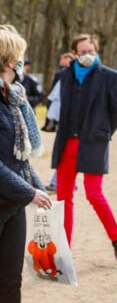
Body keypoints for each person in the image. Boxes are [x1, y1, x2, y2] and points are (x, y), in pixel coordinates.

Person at [51, 33, 117, 259]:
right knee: (63, 197)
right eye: (82, 52)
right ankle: (64, 250)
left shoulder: (110, 76)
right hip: (67, 142)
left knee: (94, 194)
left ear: (96, 51)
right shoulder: (65, 76)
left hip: (94, 142)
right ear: (75, 54)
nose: (87, 56)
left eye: (91, 51)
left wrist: (104, 133)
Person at [0, 25, 52, 302]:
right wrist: (29, 193)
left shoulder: (15, 97)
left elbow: (19, 158)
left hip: (12, 206)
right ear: (10, 61)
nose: (22, 62)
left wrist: (37, 187)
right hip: (10, 198)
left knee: (10, 282)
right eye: (19, 57)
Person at [42, 52, 75, 132]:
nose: (61, 61)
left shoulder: (72, 73)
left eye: (63, 59)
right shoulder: (60, 73)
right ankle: (51, 125)